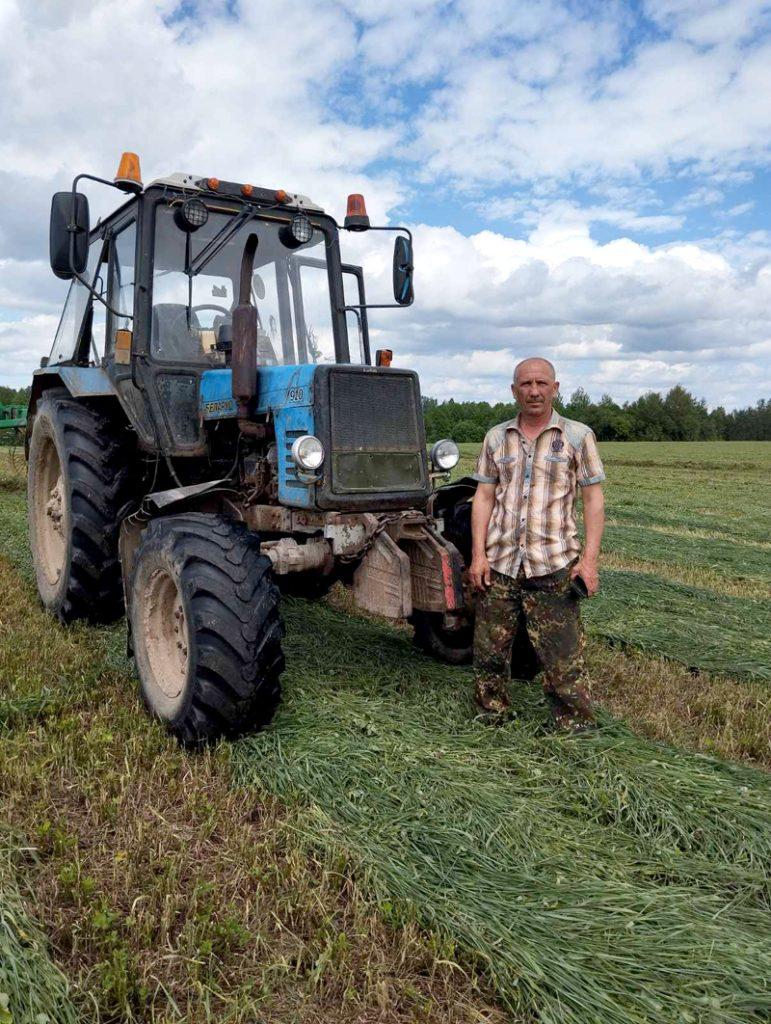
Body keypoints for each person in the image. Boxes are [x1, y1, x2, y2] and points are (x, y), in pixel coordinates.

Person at [469, 357, 605, 731]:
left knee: (562, 658)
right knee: (489, 652)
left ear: (555, 388)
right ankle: (491, 716)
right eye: (525, 384)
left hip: (553, 563)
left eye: (541, 383)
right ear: (514, 391)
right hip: (501, 563)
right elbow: (483, 497)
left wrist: (588, 563)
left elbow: (593, 500)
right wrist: (478, 555)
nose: (533, 390)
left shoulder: (577, 437)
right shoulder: (497, 437)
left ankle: (574, 726)